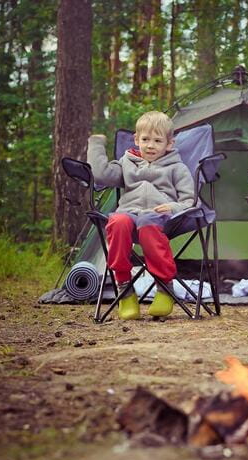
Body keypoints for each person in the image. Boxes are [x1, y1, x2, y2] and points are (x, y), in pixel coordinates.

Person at [87, 111, 195, 320]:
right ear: (136, 140)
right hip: (128, 215)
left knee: (147, 222)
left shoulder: (177, 168)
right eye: (145, 139)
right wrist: (96, 144)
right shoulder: (126, 163)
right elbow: (101, 174)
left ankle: (164, 286)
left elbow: (188, 201)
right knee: (116, 221)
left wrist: (172, 207)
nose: (150, 145)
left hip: (160, 219)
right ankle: (124, 287)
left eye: (157, 140)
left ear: (169, 144)